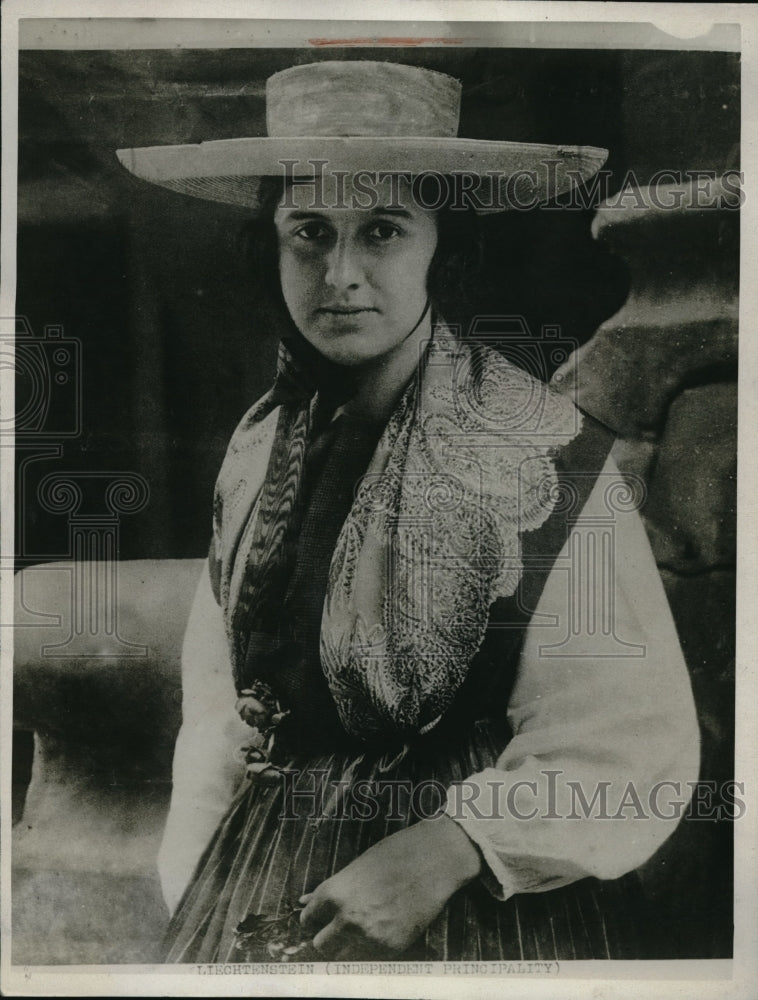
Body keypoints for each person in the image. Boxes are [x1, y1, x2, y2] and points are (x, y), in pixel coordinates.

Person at [117, 59, 700, 963]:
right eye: (307, 231)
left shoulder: (540, 454)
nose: (339, 272)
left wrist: (446, 850)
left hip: (471, 908)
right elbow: (222, 714)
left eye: (382, 229)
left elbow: (632, 742)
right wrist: (204, 893)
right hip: (263, 882)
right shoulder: (258, 449)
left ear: (445, 249)